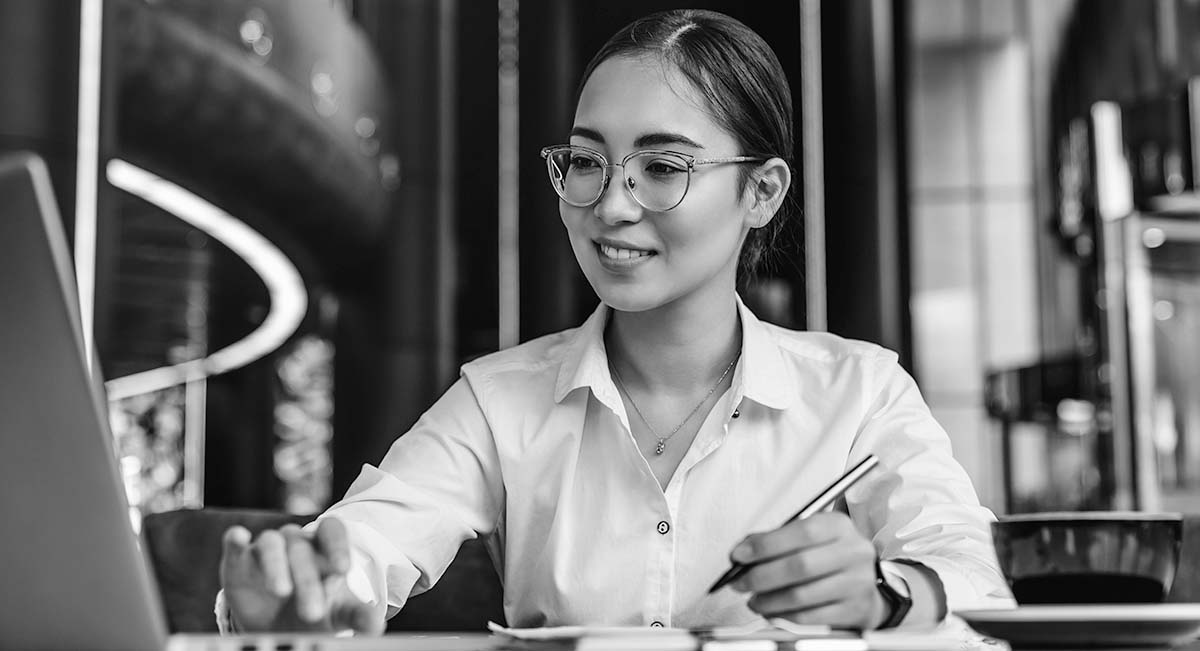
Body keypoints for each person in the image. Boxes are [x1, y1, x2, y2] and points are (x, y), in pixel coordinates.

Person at [217, 8, 1014, 634]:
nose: (611, 205)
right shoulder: (501, 401)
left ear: (762, 192)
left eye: (662, 167)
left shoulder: (859, 392)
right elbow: (369, 542)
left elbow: (981, 581)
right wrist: (302, 591)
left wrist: (887, 595)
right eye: (587, 161)